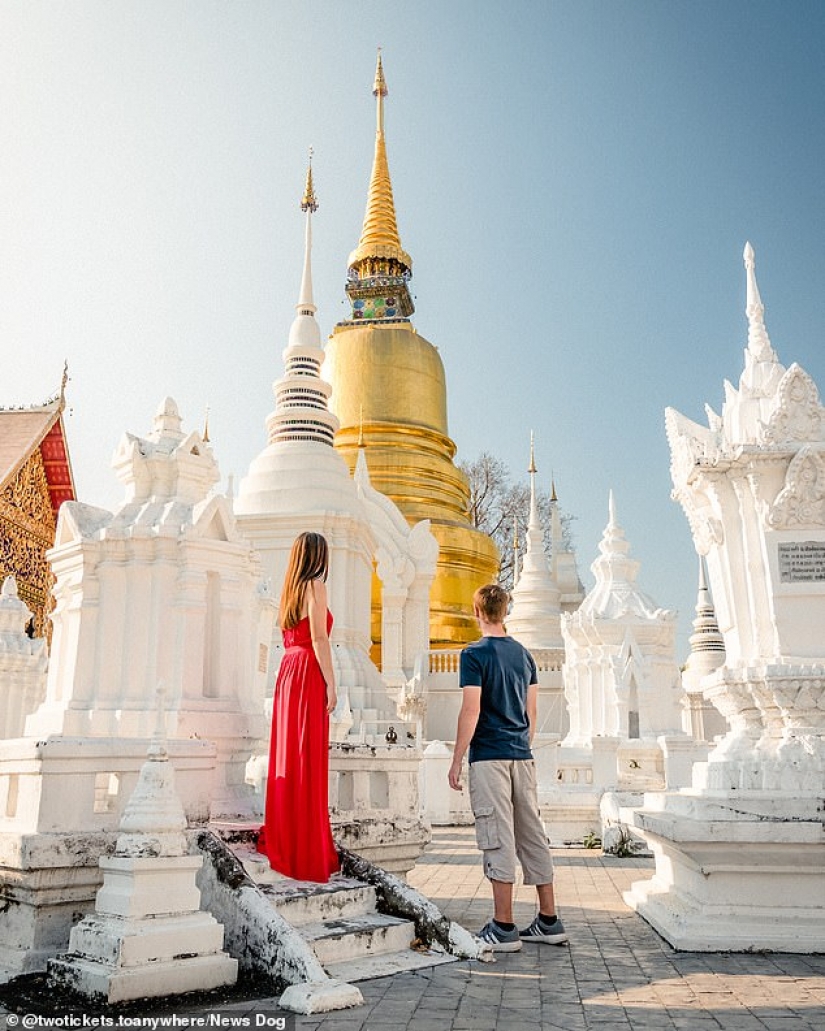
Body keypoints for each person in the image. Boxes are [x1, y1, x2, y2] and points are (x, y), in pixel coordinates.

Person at [448, 583, 567, 951]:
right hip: (521, 754)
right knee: (531, 831)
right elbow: (531, 713)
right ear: (505, 612)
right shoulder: (524, 655)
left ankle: (503, 927)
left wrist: (456, 759)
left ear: (477, 612)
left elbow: (472, 710)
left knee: (496, 833)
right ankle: (548, 920)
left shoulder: (473, 654)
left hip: (490, 756)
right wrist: (520, 745)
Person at [257, 531, 340, 883]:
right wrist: (332, 683)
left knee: (289, 755)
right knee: (307, 756)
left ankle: (286, 836)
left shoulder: (288, 591)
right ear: (318, 557)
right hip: (307, 669)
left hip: (287, 672)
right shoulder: (315, 587)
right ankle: (306, 848)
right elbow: (319, 638)